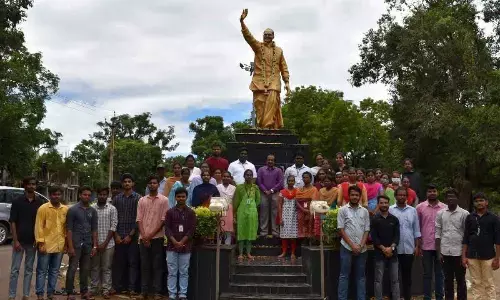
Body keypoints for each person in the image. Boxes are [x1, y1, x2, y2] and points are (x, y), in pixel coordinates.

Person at [240, 8, 291, 129]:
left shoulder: (279, 51)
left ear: (273, 36)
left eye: (269, 35)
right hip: (259, 83)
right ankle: (262, 127)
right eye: (265, 35)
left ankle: (268, 128)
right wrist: (242, 22)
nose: (267, 36)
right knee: (260, 106)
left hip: (274, 83)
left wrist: (287, 82)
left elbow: (284, 67)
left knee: (272, 105)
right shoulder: (258, 47)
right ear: (263, 36)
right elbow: (249, 37)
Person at [8, 176, 46, 300]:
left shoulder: (40, 202)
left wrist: (38, 239)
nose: (31, 186)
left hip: (32, 242)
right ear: (25, 185)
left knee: (29, 270)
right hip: (19, 241)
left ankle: (25, 295)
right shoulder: (17, 201)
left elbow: (41, 223)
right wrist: (15, 240)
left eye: (34, 184)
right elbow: (12, 221)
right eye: (29, 184)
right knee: (15, 270)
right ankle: (11, 296)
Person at [462, 192, 500, 300]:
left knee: (488, 282)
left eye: (481, 200)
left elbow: (498, 240)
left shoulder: (494, 218)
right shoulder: (470, 217)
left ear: (486, 202)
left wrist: (497, 258)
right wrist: (464, 256)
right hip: (472, 255)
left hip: (488, 256)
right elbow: (466, 237)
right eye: (476, 201)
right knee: (476, 282)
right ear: (474, 203)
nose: (479, 203)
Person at [137, 175, 169, 300]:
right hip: (143, 238)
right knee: (144, 266)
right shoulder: (142, 200)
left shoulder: (164, 200)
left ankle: (157, 292)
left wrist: (150, 236)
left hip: (157, 238)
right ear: (147, 185)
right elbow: (139, 219)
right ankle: (144, 291)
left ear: (158, 185)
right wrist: (144, 236)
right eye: (150, 183)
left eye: (154, 183)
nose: (152, 185)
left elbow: (163, 220)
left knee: (157, 266)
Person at [35, 186, 68, 300]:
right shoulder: (43, 208)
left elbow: (66, 228)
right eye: (54, 194)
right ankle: (40, 294)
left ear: (61, 195)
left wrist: (66, 244)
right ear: (50, 195)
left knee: (54, 271)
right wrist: (40, 243)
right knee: (42, 271)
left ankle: (50, 293)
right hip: (46, 245)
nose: (56, 196)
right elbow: (38, 226)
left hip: (59, 245)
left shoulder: (65, 209)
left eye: (58, 194)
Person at [337, 185, 370, 300]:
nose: (355, 197)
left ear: (360, 196)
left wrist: (360, 246)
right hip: (346, 247)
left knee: (361, 277)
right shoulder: (342, 210)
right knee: (344, 275)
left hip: (362, 249)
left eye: (357, 195)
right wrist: (352, 245)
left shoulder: (365, 211)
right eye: (352, 195)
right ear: (349, 196)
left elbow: (366, 230)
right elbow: (341, 229)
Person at [435, 188, 468, 300]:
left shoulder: (464, 214)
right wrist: (439, 253)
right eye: (448, 196)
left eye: (453, 196)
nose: (450, 198)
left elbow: (467, 235)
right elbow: (438, 233)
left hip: (458, 252)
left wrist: (464, 254)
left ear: (457, 198)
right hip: (445, 252)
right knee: (447, 280)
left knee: (460, 280)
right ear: (445, 199)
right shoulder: (440, 213)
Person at [66, 186, 98, 300]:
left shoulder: (93, 211)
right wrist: (70, 247)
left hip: (88, 244)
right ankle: (69, 292)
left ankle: (84, 292)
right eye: (85, 194)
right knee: (72, 268)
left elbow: (94, 229)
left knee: (85, 269)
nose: (87, 197)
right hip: (76, 244)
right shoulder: (73, 210)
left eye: (89, 195)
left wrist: (95, 245)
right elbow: (69, 229)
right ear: (80, 195)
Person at [389, 187, 421, 300]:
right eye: (399, 195)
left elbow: (416, 229)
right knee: (393, 277)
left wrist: (417, 246)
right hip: (393, 249)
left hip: (408, 248)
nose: (402, 197)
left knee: (407, 277)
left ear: (407, 197)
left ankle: (407, 297)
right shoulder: (390, 210)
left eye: (404, 195)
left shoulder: (412, 210)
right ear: (395, 196)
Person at [112, 173, 141, 296]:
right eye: (125, 181)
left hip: (133, 237)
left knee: (133, 263)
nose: (127, 183)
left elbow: (139, 219)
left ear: (133, 183)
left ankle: (132, 287)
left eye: (129, 181)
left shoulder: (139, 198)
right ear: (122, 184)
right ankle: (118, 287)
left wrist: (131, 235)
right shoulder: (117, 199)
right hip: (118, 236)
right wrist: (116, 235)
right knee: (119, 263)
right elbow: (113, 218)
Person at [165, 188, 197, 300]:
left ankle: (182, 294)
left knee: (184, 272)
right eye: (179, 196)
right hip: (171, 247)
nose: (181, 198)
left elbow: (191, 230)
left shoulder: (191, 213)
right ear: (175, 197)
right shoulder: (169, 212)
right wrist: (174, 241)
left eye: (183, 196)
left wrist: (182, 242)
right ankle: (172, 294)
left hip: (185, 247)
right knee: (172, 272)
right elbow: (167, 229)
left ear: (186, 197)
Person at [416, 184, 446, 300]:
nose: (432, 193)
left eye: (434, 191)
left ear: (437, 192)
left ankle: (439, 297)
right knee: (427, 274)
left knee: (439, 274)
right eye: (429, 191)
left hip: (441, 247)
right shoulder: (420, 207)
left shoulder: (444, 207)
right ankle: (427, 297)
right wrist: (418, 245)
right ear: (426, 193)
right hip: (426, 246)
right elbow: (417, 228)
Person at [371, 195, 400, 300]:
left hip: (393, 254)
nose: (384, 205)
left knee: (395, 280)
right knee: (378, 280)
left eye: (386, 203)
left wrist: (391, 248)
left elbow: (397, 237)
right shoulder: (374, 219)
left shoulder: (394, 219)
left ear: (389, 204)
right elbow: (374, 237)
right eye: (381, 203)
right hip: (379, 254)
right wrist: (384, 249)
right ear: (378, 204)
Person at [90, 187, 118, 299]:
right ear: (97, 195)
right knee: (95, 267)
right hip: (94, 244)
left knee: (106, 268)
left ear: (107, 195)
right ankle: (94, 289)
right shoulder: (92, 208)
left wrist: (105, 243)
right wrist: (96, 244)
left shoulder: (112, 209)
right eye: (100, 194)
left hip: (109, 244)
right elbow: (90, 227)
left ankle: (106, 290)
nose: (102, 196)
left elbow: (113, 226)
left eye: (104, 194)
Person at [234, 169, 261, 261]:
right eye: (247, 175)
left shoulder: (255, 187)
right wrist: (235, 213)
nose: (248, 176)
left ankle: (248, 253)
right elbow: (236, 201)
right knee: (241, 232)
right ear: (244, 176)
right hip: (241, 212)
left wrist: (252, 207)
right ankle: (241, 253)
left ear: (252, 177)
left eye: (250, 175)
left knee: (250, 232)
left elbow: (258, 200)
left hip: (252, 212)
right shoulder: (239, 187)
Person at [256, 154, 284, 237]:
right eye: (269, 160)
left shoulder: (278, 170)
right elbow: (259, 181)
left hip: (275, 193)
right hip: (263, 193)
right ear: (266, 161)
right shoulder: (261, 170)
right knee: (263, 213)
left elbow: (280, 182)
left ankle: (275, 231)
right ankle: (263, 232)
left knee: (275, 213)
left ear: (274, 161)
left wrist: (271, 190)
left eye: (272, 160)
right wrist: (265, 190)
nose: (270, 161)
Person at [277, 175, 299, 259]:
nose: (291, 182)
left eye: (292, 181)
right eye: (289, 181)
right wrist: (280, 217)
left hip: (294, 215)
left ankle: (293, 253)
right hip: (285, 215)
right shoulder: (282, 192)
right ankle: (284, 252)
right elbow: (279, 205)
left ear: (294, 182)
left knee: (293, 235)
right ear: (287, 181)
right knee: (284, 235)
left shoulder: (297, 191)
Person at [295, 172, 319, 239]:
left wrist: (308, 210)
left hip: (310, 210)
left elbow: (315, 202)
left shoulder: (314, 189)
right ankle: (302, 239)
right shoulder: (299, 189)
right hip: (300, 210)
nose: (305, 179)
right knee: (301, 225)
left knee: (310, 223)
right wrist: (303, 209)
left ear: (311, 179)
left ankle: (310, 239)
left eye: (307, 177)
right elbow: (296, 200)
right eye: (304, 177)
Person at [217, 171, 236, 245]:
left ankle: (227, 246)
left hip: (229, 210)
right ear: (222, 177)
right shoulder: (218, 187)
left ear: (230, 178)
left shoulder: (234, 188)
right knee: (220, 228)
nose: (226, 178)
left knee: (228, 229)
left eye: (228, 176)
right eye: (224, 176)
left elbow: (234, 200)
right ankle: (219, 245)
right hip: (220, 209)